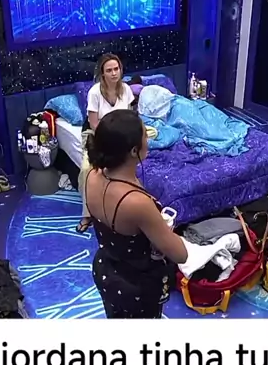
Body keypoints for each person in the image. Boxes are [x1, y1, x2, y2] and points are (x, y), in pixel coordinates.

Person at [85, 109, 188, 317]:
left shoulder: (92, 176)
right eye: (145, 135)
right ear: (134, 151)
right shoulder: (137, 203)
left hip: (106, 271)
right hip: (136, 286)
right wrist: (163, 227)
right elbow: (180, 254)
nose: (148, 140)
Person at [77, 54, 134, 232]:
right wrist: (110, 142)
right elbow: (94, 123)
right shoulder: (94, 92)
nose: (114, 73)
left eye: (116, 69)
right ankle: (87, 215)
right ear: (102, 74)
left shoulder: (126, 90)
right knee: (87, 169)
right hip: (96, 134)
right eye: (109, 70)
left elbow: (129, 117)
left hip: (120, 134)